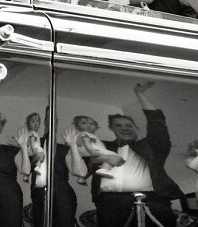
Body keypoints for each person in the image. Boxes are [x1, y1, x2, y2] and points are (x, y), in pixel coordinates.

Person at [90, 82, 183, 227]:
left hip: (153, 202)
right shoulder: (102, 147)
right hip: (111, 206)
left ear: (137, 128)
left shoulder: (152, 146)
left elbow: (157, 124)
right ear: (111, 129)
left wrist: (140, 94)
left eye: (129, 125)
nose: (125, 128)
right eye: (118, 125)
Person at [28, 108, 87, 227]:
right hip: (40, 195)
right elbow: (24, 166)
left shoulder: (64, 149)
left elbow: (81, 172)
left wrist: (73, 146)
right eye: (49, 118)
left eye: (54, 119)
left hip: (63, 195)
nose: (52, 121)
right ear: (44, 122)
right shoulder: (33, 144)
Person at [72, 115, 124, 185]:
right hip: (94, 151)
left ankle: (82, 178)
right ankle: (104, 169)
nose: (88, 125)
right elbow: (86, 143)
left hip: (95, 152)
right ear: (77, 126)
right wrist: (91, 151)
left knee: (93, 166)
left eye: (91, 124)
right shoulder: (84, 134)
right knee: (117, 158)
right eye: (84, 123)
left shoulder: (91, 135)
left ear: (96, 127)